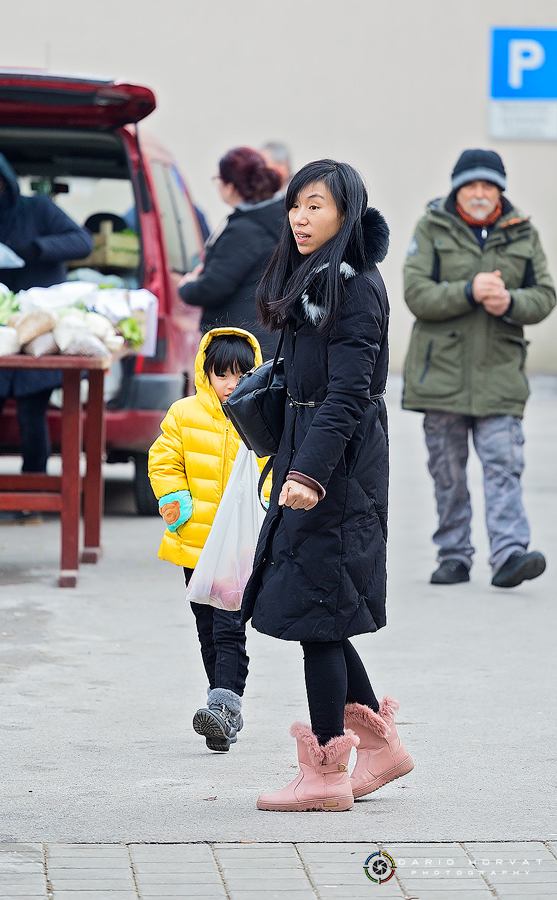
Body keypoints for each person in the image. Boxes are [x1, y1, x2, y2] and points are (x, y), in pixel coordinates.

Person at [241, 159, 413, 812]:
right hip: (311, 457)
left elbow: (347, 395)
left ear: (346, 212)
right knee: (325, 607)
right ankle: (382, 748)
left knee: (320, 613)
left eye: (316, 205)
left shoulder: (356, 288)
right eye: (295, 206)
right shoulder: (313, 280)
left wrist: (309, 473)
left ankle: (325, 775)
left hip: (336, 471)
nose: (302, 218)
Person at [403, 149, 556, 588]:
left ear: (500, 191)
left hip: (500, 374)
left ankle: (509, 554)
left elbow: (544, 295)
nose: (479, 193)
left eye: (488, 185)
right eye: (470, 185)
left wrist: (512, 303)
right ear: (456, 190)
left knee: (503, 465)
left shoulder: (523, 232)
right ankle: (454, 554)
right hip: (441, 376)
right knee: (448, 473)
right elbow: (417, 293)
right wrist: (468, 290)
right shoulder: (431, 227)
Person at [0, 143, 93, 524]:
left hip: (37, 330)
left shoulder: (37, 209)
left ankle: (33, 501)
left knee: (33, 417)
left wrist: (34, 248)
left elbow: (81, 242)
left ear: (0, 176)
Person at [149, 327, 269, 752]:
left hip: (238, 547)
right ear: (206, 373)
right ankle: (224, 711)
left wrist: (270, 508)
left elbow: (274, 466)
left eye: (241, 375)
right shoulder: (184, 414)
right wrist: (174, 499)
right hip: (196, 543)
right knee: (207, 629)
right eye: (223, 376)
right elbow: (163, 459)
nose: (232, 385)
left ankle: (220, 706)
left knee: (229, 627)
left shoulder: (261, 413)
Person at [177, 147, 285, 359]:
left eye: (218, 178)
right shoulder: (274, 220)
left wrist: (187, 287)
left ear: (230, 186)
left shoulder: (245, 230)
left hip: (238, 344)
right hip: (263, 336)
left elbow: (214, 286)